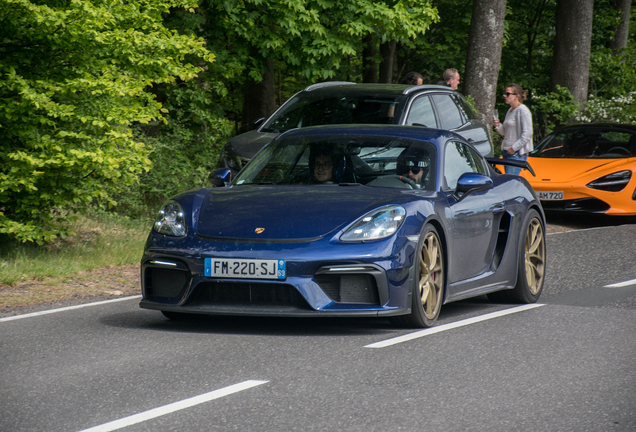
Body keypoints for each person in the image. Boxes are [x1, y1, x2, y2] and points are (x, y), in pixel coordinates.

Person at [493, 83, 533, 175]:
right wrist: (498, 125)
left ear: (516, 96)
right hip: (507, 151)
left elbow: (527, 133)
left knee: (511, 182)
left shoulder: (522, 110)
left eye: (508, 94)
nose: (505, 96)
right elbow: (505, 132)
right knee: (508, 180)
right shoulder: (510, 110)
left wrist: (514, 148)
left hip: (515, 153)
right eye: (505, 94)